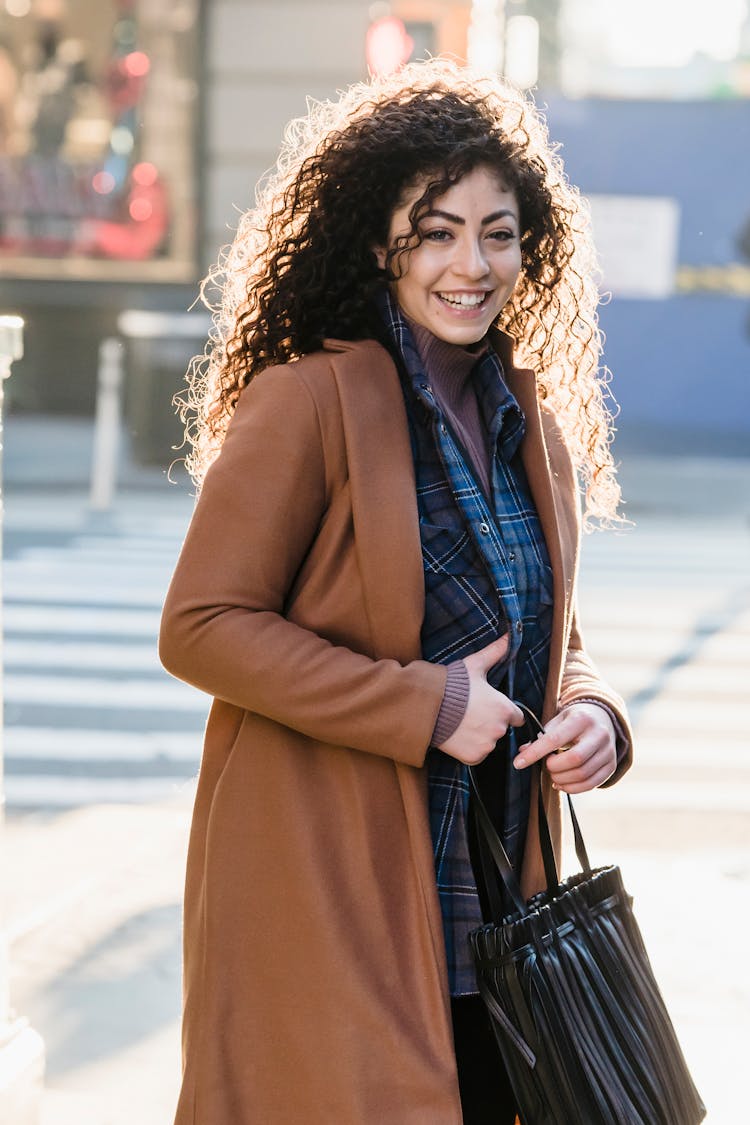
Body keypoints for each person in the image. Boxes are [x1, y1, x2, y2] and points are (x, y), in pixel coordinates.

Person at [160, 58, 633, 1125]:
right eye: (438, 231)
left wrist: (595, 712)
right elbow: (201, 627)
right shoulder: (308, 403)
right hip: (333, 885)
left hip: (497, 895)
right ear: (383, 244)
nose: (472, 264)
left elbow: (543, 626)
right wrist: (427, 707)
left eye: (498, 232)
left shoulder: (533, 424)